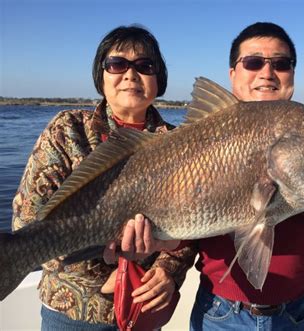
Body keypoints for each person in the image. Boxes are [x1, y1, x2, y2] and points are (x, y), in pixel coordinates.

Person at [153, 22, 304, 331]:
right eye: (253, 62)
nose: (267, 72)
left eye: (281, 64)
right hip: (219, 312)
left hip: (298, 312)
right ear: (232, 74)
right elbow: (179, 235)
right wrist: (158, 245)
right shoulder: (195, 137)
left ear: (292, 74)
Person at [12, 25, 180, 330]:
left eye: (145, 66)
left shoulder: (181, 141)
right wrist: (105, 276)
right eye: (117, 64)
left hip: (144, 309)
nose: (130, 74)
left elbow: (195, 226)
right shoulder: (68, 129)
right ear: (100, 75)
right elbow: (26, 222)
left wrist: (167, 269)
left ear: (160, 79)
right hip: (72, 316)